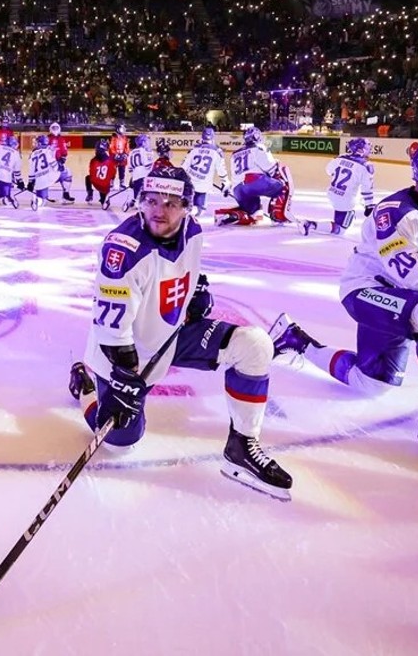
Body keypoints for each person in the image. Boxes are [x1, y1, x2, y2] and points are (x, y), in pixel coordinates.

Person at [267, 144, 418, 472]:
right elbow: (412, 276)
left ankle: (296, 340)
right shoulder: (394, 213)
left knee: (372, 384)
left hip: (403, 299)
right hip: (367, 292)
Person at [67, 165, 293, 500]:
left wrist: (198, 287)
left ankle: (241, 447)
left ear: (187, 207)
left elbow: (189, 267)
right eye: (151, 200)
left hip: (173, 335)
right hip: (126, 352)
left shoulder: (193, 230)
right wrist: (123, 377)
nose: (159, 210)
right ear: (140, 201)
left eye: (171, 203)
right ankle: (86, 388)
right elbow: (113, 330)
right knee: (120, 444)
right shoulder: (123, 251)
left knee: (255, 346)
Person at [300, 136, 376, 235]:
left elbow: (328, 170)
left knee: (346, 209)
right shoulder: (366, 165)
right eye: (367, 147)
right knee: (341, 229)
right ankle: (311, 224)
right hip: (346, 200)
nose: (369, 149)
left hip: (332, 192)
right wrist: (369, 205)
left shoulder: (340, 158)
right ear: (361, 150)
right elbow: (367, 189)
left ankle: (348, 216)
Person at [215, 127, 285, 227]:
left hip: (238, 190)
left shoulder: (234, 154)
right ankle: (278, 216)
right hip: (254, 182)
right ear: (256, 137)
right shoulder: (259, 148)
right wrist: (277, 166)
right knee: (282, 187)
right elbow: (270, 168)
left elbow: (235, 176)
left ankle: (234, 216)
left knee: (256, 215)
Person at [180, 126, 228, 219]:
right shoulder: (217, 151)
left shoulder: (194, 149)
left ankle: (188, 209)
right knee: (200, 211)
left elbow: (183, 167)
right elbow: (221, 171)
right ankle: (194, 209)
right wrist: (226, 184)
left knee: (187, 203)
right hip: (203, 187)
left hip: (190, 183)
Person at [121, 133, 157, 211]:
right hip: (144, 173)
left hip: (135, 174)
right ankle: (139, 203)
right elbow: (147, 165)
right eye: (147, 141)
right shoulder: (144, 151)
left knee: (137, 188)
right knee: (146, 189)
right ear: (143, 142)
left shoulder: (131, 152)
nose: (149, 143)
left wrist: (133, 175)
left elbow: (130, 167)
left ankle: (134, 200)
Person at [44, 122, 77, 203]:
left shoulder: (61, 139)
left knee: (68, 173)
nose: (55, 130)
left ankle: (66, 195)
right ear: (50, 129)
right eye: (53, 128)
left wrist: (61, 162)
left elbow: (64, 153)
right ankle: (43, 195)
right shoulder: (46, 139)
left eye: (56, 128)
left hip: (57, 165)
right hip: (46, 166)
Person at [107, 124, 130, 188]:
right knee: (112, 170)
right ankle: (111, 182)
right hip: (114, 157)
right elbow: (111, 147)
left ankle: (121, 183)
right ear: (117, 129)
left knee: (122, 170)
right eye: (122, 129)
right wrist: (115, 154)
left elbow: (127, 147)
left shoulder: (125, 138)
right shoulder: (113, 138)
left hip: (122, 156)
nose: (123, 130)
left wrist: (126, 154)